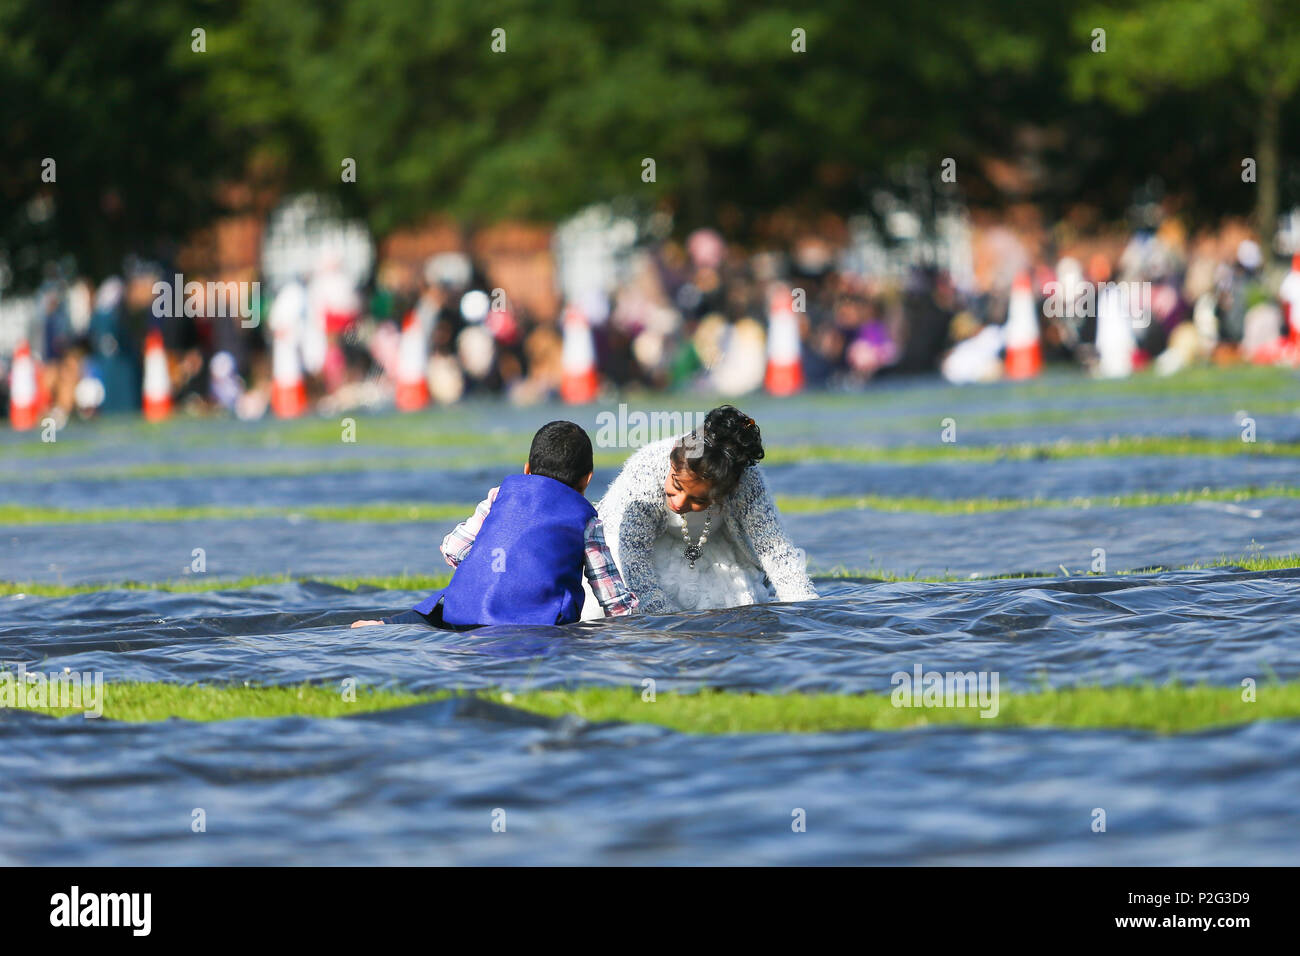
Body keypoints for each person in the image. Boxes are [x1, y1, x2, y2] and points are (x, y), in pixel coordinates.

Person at [352, 421, 637, 629]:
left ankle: (382, 625)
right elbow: (615, 602)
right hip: (536, 628)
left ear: (527, 469)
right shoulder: (586, 518)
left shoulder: (499, 495)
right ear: (588, 478)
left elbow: (452, 549)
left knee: (429, 616)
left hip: (462, 612)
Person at [586, 405, 818, 616]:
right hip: (628, 553)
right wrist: (667, 624)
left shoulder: (746, 483)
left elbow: (776, 552)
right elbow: (632, 563)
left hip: (707, 551)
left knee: (740, 609)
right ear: (673, 459)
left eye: (698, 499)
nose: (678, 503)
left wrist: (808, 617)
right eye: (676, 485)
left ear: (727, 492)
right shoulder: (645, 473)